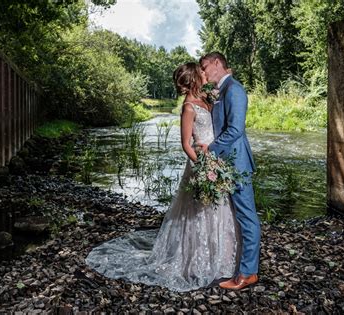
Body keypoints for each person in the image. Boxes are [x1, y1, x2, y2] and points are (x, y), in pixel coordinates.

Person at [85, 62, 238, 292]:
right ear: (195, 78)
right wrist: (203, 169)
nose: (204, 73)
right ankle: (193, 262)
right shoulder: (188, 107)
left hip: (215, 160)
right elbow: (186, 145)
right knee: (197, 213)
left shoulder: (207, 98)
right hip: (201, 165)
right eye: (201, 72)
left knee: (220, 210)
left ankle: (222, 257)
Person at [198, 52, 260, 290]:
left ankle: (248, 273)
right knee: (237, 215)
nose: (203, 73)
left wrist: (210, 150)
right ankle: (239, 265)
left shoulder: (234, 89)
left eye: (205, 67)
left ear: (216, 63)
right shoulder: (220, 91)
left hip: (237, 164)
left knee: (247, 216)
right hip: (226, 163)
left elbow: (235, 130)